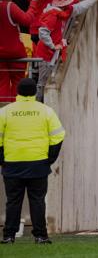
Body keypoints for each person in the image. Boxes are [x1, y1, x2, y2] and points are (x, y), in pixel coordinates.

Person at [0, 78, 65, 244]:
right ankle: (40, 235)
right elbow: (58, 136)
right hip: (38, 163)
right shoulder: (46, 111)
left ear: (18, 92)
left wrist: (2, 160)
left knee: (13, 201)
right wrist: (50, 158)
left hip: (12, 163)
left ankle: (8, 235)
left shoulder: (6, 111)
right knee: (37, 200)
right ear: (35, 93)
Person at [34, 0, 98, 101]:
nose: (69, 5)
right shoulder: (52, 16)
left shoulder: (61, 12)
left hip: (52, 52)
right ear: (62, 5)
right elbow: (43, 33)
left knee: (44, 82)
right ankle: (38, 105)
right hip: (46, 54)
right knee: (42, 83)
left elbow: (80, 7)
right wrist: (53, 46)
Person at [0, 0, 40, 102]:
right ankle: (16, 110)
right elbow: (27, 20)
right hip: (15, 52)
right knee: (18, 83)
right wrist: (33, 4)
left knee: (1, 84)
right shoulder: (9, 6)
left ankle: (3, 110)